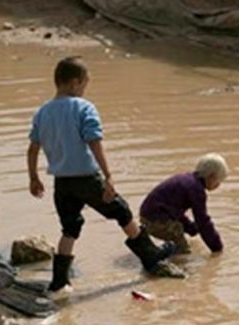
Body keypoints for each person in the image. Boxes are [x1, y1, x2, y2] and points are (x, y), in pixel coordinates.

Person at [27, 56, 181, 293]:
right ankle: (150, 255)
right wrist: (108, 176)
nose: (85, 89)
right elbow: (94, 142)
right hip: (87, 178)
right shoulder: (83, 107)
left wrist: (33, 177)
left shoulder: (42, 113)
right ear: (75, 83)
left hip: (62, 182)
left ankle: (59, 280)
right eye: (85, 84)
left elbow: (33, 147)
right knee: (121, 211)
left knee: (69, 228)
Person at [139, 154, 228, 256]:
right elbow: (203, 221)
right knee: (183, 253)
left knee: (178, 233)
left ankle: (166, 252)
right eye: (218, 181)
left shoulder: (188, 180)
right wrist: (217, 248)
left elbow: (174, 209)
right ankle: (173, 265)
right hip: (155, 221)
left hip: (147, 217)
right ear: (211, 177)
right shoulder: (197, 190)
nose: (218, 185)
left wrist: (190, 228)